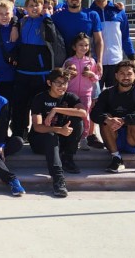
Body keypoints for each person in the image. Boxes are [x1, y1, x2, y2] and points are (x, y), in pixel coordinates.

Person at [28, 68, 86, 197]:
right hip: (40, 141)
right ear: (49, 83)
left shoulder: (70, 97)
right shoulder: (40, 98)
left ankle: (68, 157)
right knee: (50, 135)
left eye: (65, 83)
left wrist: (56, 110)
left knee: (77, 120)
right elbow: (37, 127)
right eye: (58, 83)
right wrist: (59, 130)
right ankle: (58, 179)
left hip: (62, 139)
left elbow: (83, 113)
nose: (62, 86)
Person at [91, 60, 135, 175]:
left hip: (133, 140)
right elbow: (95, 113)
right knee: (106, 119)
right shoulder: (107, 93)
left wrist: (124, 120)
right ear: (116, 75)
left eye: (129, 74)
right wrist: (108, 119)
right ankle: (116, 158)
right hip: (114, 139)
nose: (126, 77)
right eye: (122, 73)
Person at [11, 0, 56, 141]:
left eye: (37, 5)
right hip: (23, 71)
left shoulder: (45, 21)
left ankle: (37, 135)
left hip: (41, 72)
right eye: (31, 5)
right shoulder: (23, 21)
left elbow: (52, 38)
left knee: (38, 107)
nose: (34, 8)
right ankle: (19, 133)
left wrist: (47, 17)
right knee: (20, 105)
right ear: (26, 8)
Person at [87, 0, 135, 89]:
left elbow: (125, 37)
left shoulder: (119, 11)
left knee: (115, 98)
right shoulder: (88, 14)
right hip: (95, 63)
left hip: (116, 61)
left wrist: (131, 57)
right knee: (95, 98)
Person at [62, 33, 102, 151]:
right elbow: (63, 77)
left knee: (85, 116)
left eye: (86, 45)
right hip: (71, 94)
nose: (84, 48)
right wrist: (69, 74)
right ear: (74, 47)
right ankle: (69, 138)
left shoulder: (91, 62)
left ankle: (83, 139)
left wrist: (91, 75)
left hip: (86, 93)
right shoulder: (69, 61)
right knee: (69, 116)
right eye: (81, 45)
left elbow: (97, 78)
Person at [52, 0, 103, 70]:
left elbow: (98, 40)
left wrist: (99, 62)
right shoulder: (56, 16)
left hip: (87, 66)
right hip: (64, 65)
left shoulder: (92, 15)